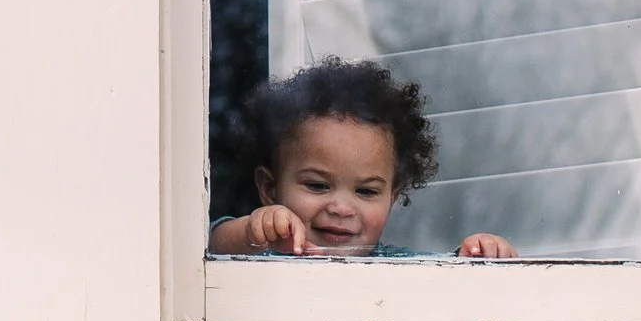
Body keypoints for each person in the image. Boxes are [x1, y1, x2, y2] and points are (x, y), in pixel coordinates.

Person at [209, 58, 517, 259]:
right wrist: (253, 232)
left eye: (367, 191)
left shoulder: (392, 265)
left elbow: (438, 279)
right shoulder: (262, 255)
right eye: (317, 185)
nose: (342, 208)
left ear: (392, 198)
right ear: (269, 188)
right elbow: (209, 247)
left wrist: (476, 257)